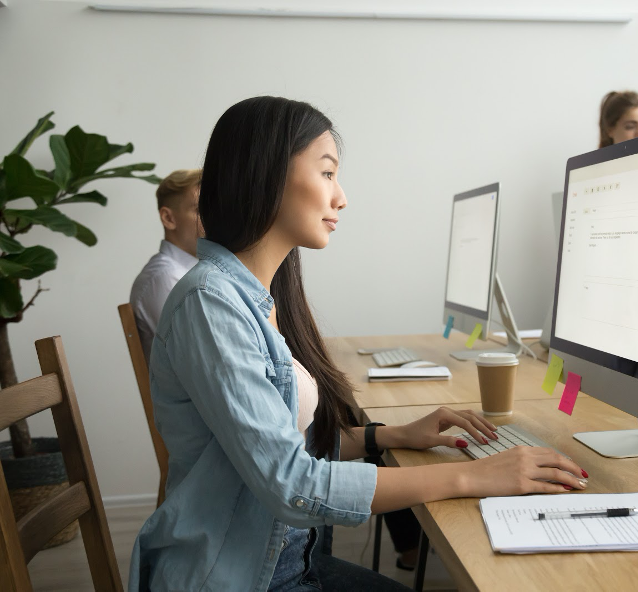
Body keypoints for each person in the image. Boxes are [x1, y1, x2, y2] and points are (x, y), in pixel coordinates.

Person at [129, 96, 588, 592]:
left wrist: (386, 436)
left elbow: (282, 443)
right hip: (239, 578)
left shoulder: (257, 296)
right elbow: (291, 484)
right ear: (266, 175)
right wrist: (475, 477)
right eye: (327, 173)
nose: (341, 197)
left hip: (285, 562)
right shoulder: (210, 303)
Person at [129, 168, 203, 360]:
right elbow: (200, 357)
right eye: (199, 210)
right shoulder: (165, 278)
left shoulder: (194, 274)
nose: (212, 218)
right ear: (169, 218)